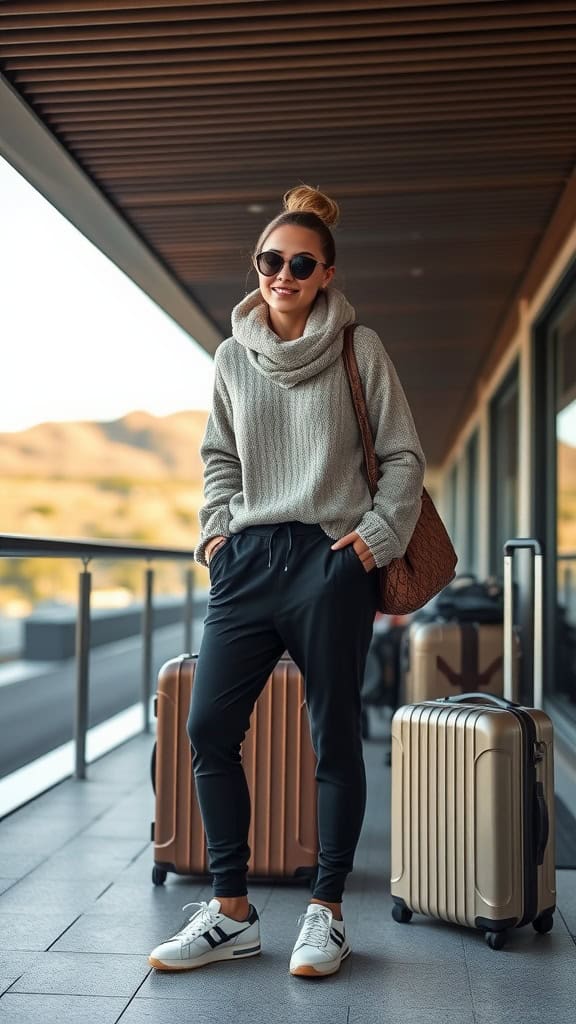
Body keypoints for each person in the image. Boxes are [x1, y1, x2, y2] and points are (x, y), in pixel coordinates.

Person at [149, 185, 425, 977]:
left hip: (329, 560)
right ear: (257, 267)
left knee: (333, 734)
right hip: (246, 561)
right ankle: (231, 910)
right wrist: (213, 533)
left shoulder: (356, 348)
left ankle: (327, 910)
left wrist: (373, 541)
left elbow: (403, 455)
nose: (284, 273)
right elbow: (219, 458)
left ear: (326, 274)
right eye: (271, 260)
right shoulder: (232, 357)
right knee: (206, 728)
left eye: (301, 263)